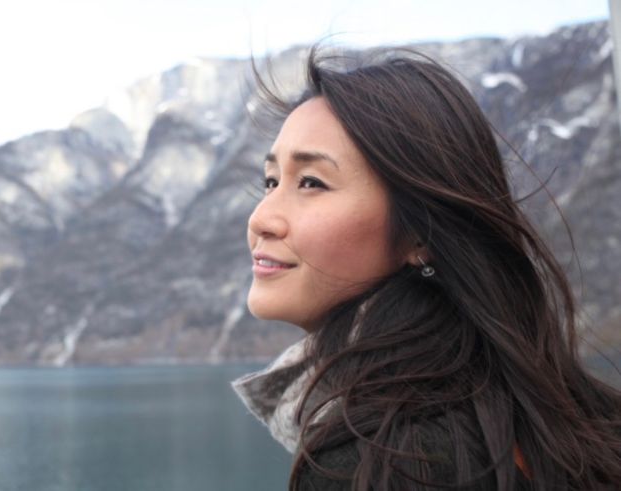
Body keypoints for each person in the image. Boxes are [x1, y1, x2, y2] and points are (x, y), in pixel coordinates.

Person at [231, 45, 621, 490]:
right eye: (271, 182)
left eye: (312, 183)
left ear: (418, 233)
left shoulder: (375, 459)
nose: (261, 218)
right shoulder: (564, 416)